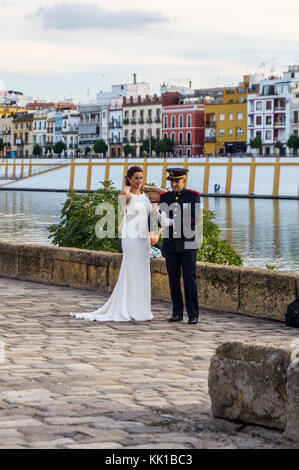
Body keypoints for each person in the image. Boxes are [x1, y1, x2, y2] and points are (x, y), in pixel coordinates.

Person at [70, 166, 164, 322]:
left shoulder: (146, 196)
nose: (139, 181)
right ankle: (126, 308)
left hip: (143, 237)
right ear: (129, 178)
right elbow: (123, 197)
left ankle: (141, 310)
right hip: (130, 236)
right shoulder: (126, 194)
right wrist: (127, 187)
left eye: (141, 178)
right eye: (136, 178)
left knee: (142, 271)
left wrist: (150, 187)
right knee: (130, 269)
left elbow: (165, 194)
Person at [159, 168, 200, 325]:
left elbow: (193, 221)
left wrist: (172, 222)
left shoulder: (192, 196)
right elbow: (160, 221)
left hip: (188, 243)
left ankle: (193, 314)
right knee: (173, 279)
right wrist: (160, 220)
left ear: (184, 180)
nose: (174, 184)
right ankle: (177, 312)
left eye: (177, 181)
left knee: (190, 279)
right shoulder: (165, 197)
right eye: (172, 181)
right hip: (171, 244)